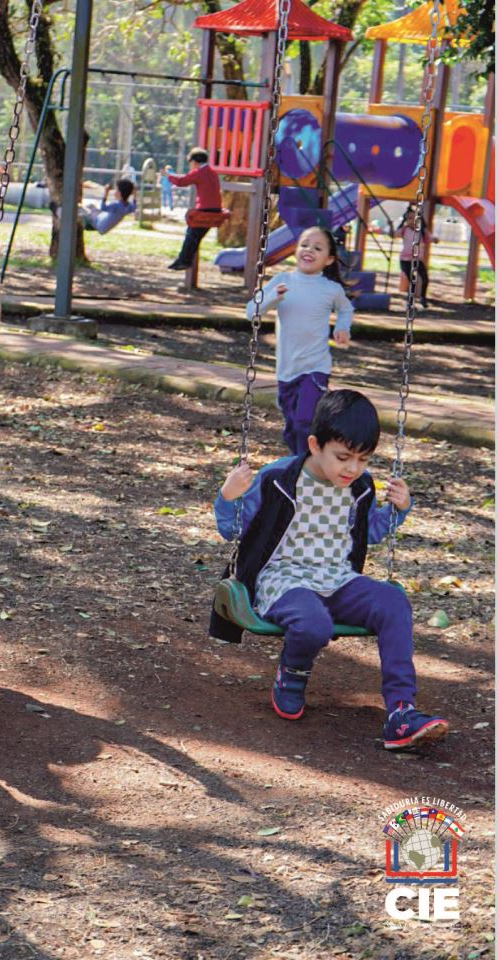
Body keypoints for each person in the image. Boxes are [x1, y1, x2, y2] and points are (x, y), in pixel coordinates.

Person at [213, 389, 450, 750]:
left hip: (337, 579)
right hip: (283, 580)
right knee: (313, 623)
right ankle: (292, 675)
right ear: (314, 445)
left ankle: (401, 712)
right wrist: (229, 496)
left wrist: (396, 512)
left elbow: (366, 532)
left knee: (393, 602)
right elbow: (233, 529)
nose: (352, 468)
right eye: (343, 457)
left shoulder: (360, 486)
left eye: (363, 459)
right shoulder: (277, 477)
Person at [247, 225, 354, 456]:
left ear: (328, 260)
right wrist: (273, 297)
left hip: (316, 366)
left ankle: (307, 464)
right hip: (287, 368)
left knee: (305, 420)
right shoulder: (283, 281)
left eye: (317, 248)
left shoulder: (331, 289)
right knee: (292, 425)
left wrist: (342, 328)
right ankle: (299, 459)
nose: (309, 250)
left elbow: (346, 310)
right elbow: (251, 311)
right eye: (304, 244)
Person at [166, 147, 222, 270]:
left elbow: (181, 182)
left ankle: (183, 261)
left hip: (204, 210)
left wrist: (168, 176)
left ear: (195, 162)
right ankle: (183, 260)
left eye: (190, 162)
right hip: (216, 210)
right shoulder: (212, 172)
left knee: (191, 235)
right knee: (195, 236)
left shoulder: (198, 173)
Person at [51, 178, 136, 236]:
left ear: (120, 193)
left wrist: (105, 193)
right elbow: (134, 206)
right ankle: (73, 208)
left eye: (116, 190)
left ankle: (59, 211)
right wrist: (135, 194)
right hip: (102, 224)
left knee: (81, 213)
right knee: (90, 206)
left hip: (98, 224)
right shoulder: (127, 207)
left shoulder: (116, 206)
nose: (115, 192)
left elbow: (103, 207)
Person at [394, 204, 439, 309]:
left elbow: (431, 238)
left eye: (413, 218)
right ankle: (410, 303)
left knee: (425, 279)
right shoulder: (404, 230)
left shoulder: (422, 232)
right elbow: (394, 234)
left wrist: (435, 239)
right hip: (405, 260)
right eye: (409, 218)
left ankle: (423, 298)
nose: (411, 220)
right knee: (412, 280)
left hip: (417, 259)